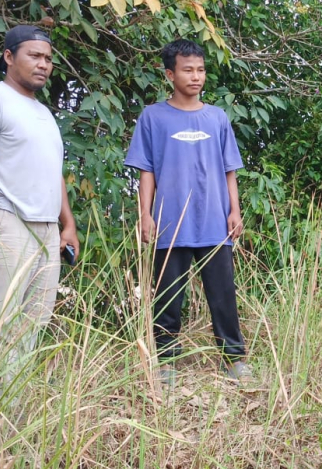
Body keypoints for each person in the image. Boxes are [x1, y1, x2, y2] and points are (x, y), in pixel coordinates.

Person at [0, 25, 80, 401]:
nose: (43, 65)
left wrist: (68, 224)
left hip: (47, 231)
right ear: (9, 57)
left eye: (48, 58)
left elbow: (52, 171)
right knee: (2, 321)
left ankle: (15, 410)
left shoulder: (43, 112)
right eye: (34, 56)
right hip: (7, 222)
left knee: (34, 323)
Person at [124, 39, 251, 385]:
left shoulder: (217, 117)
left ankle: (234, 359)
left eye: (201, 69)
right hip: (169, 223)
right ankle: (165, 363)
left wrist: (234, 210)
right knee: (166, 299)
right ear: (170, 74)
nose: (196, 77)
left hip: (213, 221)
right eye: (187, 70)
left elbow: (230, 169)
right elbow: (145, 170)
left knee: (224, 296)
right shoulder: (153, 117)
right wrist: (145, 214)